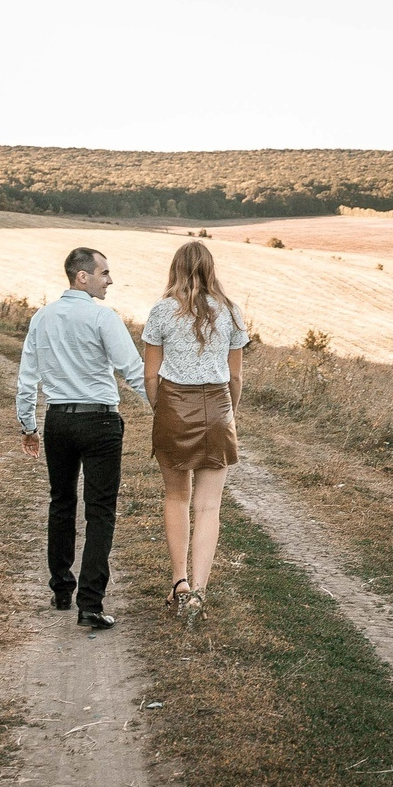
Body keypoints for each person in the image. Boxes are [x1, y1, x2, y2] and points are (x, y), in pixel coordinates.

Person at [16, 246, 148, 629]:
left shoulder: (42, 317)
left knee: (61, 502)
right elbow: (133, 372)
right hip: (100, 423)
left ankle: (61, 588)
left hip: (59, 421)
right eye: (105, 273)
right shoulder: (103, 317)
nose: (110, 280)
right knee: (100, 510)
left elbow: (28, 377)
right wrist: (167, 414)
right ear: (82, 276)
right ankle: (89, 604)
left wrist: (29, 425)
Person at [140, 240, 249, 621]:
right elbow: (235, 376)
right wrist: (227, 413)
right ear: (211, 269)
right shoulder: (232, 312)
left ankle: (179, 582)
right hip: (217, 406)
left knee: (176, 497)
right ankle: (200, 593)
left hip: (173, 404)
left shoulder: (162, 311)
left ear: (176, 269)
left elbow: (150, 375)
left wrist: (161, 409)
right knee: (209, 505)